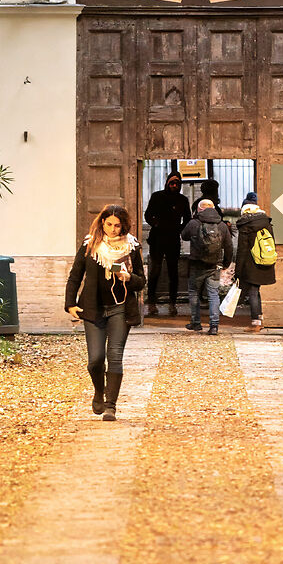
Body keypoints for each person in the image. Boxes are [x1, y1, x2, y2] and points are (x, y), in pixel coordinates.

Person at [66, 206, 144, 419]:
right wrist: (70, 304)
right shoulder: (90, 244)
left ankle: (111, 406)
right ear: (102, 223)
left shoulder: (132, 246)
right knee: (95, 360)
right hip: (93, 309)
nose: (112, 229)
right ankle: (99, 391)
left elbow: (141, 281)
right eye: (108, 224)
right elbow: (75, 276)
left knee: (115, 356)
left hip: (120, 308)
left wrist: (129, 278)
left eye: (117, 225)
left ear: (123, 225)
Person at [144, 171, 188, 316]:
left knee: (173, 272)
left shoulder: (182, 200)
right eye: (172, 183)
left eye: (177, 184)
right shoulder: (157, 196)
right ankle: (151, 303)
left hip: (173, 239)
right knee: (155, 270)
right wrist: (157, 224)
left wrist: (178, 229)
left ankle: (172, 303)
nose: (174, 186)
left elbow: (187, 218)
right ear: (167, 183)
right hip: (157, 238)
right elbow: (148, 214)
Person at [234, 192, 278, 330]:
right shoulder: (266, 222)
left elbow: (241, 250)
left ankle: (255, 323)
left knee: (252, 292)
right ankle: (260, 319)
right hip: (264, 261)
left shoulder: (245, 225)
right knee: (256, 291)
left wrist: (238, 271)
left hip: (250, 264)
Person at [185, 194, 228, 334]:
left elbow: (183, 236)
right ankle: (214, 325)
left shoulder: (194, 223)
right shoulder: (221, 225)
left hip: (197, 264)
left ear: (198, 210)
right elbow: (229, 246)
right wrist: (226, 263)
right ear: (214, 209)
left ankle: (196, 323)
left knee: (194, 292)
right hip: (215, 265)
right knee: (213, 294)